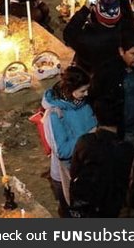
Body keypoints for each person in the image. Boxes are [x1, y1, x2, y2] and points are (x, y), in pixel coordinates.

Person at [90, 29, 134, 150]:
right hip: (113, 132)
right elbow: (94, 96)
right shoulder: (106, 71)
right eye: (133, 54)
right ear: (122, 51)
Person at [42, 65, 96, 216]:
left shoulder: (84, 103)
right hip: (67, 175)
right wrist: (88, 136)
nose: (86, 94)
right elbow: (62, 150)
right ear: (69, 90)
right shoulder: (54, 114)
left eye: (87, 90)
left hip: (87, 169)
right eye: (82, 91)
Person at [69, 97, 134, 218]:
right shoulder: (127, 149)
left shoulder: (85, 142)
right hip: (113, 207)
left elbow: (74, 171)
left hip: (88, 205)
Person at [63, 0, 123, 75]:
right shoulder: (125, 33)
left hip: (87, 74)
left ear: (96, 11)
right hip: (112, 75)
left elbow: (68, 34)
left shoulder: (86, 38)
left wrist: (85, 9)